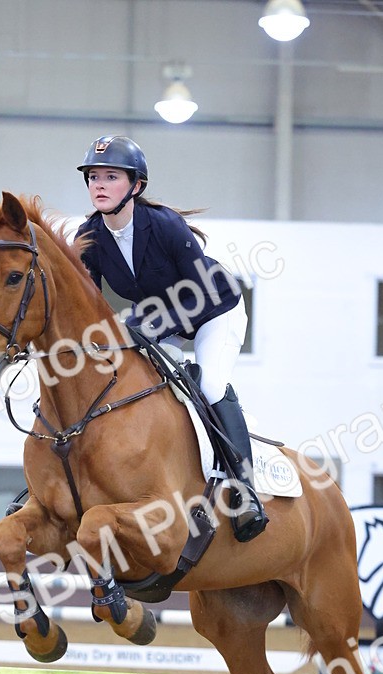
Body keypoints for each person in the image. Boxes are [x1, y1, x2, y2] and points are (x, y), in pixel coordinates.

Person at [75, 134, 267, 543]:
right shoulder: (90, 235)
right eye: (93, 177)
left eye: (111, 177)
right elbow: (88, 301)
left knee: (208, 385)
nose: (99, 185)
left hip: (214, 309)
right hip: (160, 318)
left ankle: (245, 489)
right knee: (138, 389)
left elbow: (201, 293)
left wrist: (149, 327)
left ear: (136, 186)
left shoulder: (164, 225)